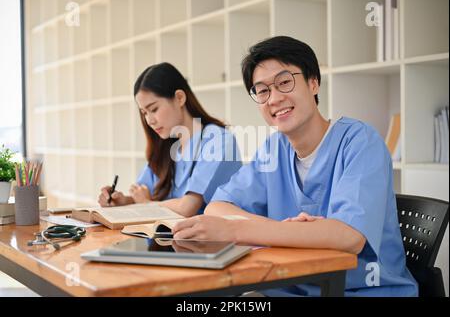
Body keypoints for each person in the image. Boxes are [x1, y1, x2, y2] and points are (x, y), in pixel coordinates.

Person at [172, 36, 418, 296]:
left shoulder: (360, 142)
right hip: (292, 287)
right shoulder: (273, 149)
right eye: (263, 90)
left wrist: (238, 229)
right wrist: (292, 231)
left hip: (361, 290)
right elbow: (218, 207)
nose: (274, 98)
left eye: (285, 82)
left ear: (313, 82)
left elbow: (349, 237)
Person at [98, 62, 242, 217]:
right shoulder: (167, 145)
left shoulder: (217, 140)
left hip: (211, 240)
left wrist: (147, 205)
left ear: (179, 98)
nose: (149, 120)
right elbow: (141, 196)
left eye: (154, 109)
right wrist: (123, 202)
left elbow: (187, 207)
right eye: (144, 113)